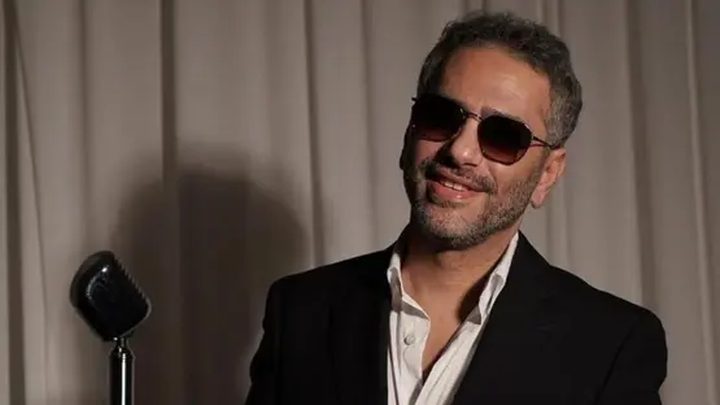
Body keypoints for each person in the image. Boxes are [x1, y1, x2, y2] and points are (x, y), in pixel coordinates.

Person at [246, 11, 667, 405]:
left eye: (503, 136)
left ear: (548, 173)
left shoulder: (610, 346)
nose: (461, 151)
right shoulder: (300, 312)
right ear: (409, 133)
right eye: (441, 116)